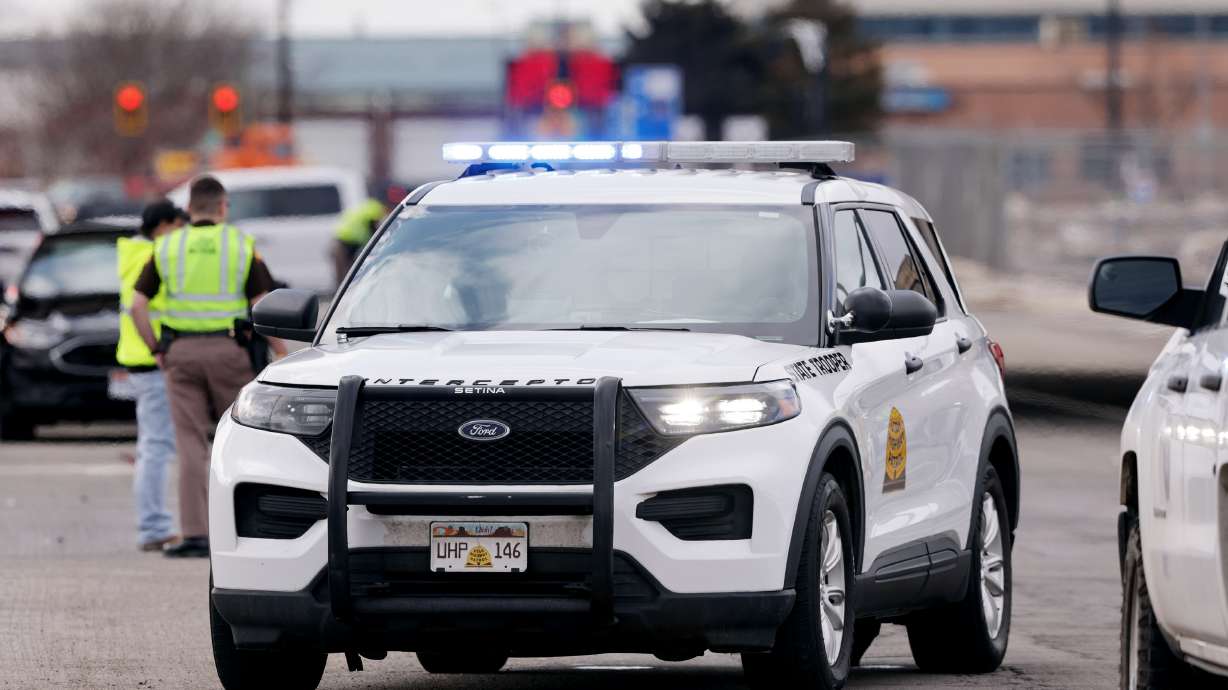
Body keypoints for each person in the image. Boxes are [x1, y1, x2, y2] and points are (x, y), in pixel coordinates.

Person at [129, 175, 284, 558]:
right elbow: (262, 304)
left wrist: (156, 349)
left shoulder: (166, 248)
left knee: (190, 445)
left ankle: (196, 534)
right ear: (223, 206)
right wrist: (281, 351)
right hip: (230, 353)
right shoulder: (239, 244)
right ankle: (249, 529)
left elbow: (136, 305)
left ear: (189, 207)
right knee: (244, 440)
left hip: (179, 354)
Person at [117, 200, 187, 552]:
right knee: (157, 446)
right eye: (178, 226)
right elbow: (139, 307)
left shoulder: (133, 253)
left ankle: (153, 525)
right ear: (163, 226)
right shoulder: (153, 256)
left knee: (153, 445)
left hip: (140, 358)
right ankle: (154, 527)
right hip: (152, 358)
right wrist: (159, 348)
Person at [331, 195, 390, 287]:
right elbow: (373, 231)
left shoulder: (367, 206)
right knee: (348, 276)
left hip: (342, 241)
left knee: (346, 274)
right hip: (344, 243)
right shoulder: (375, 208)